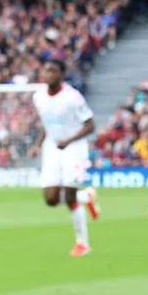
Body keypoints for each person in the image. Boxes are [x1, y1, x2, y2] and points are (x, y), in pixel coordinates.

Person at [32, 59, 100, 257]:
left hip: (74, 148)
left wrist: (69, 140)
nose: (49, 74)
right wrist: (38, 145)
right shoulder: (38, 97)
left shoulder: (73, 97)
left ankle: (82, 243)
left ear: (62, 74)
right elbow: (47, 124)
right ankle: (86, 197)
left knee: (69, 195)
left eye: (53, 71)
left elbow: (90, 125)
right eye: (46, 71)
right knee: (51, 199)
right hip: (52, 147)